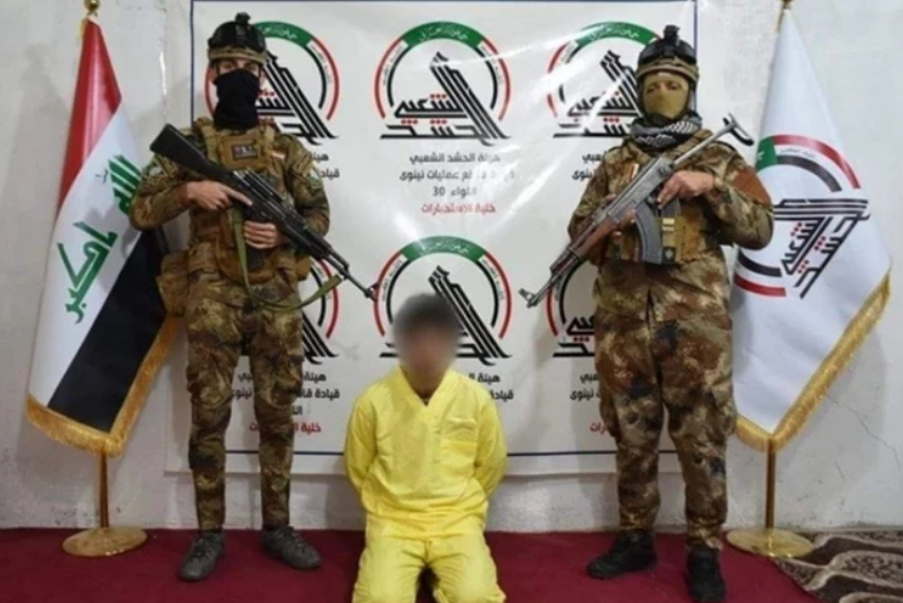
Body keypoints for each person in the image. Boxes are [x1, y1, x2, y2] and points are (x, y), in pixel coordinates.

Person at [569, 26, 774, 603]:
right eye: (653, 83)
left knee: (701, 437)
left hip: (694, 329)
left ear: (691, 89)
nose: (663, 91)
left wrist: (709, 186)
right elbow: (579, 236)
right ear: (639, 90)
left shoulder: (718, 156)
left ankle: (704, 549)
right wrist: (610, 225)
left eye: (673, 83)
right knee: (631, 434)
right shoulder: (617, 162)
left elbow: (761, 228)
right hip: (624, 326)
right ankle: (635, 537)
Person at [129, 12, 329, 581]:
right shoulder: (189, 146)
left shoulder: (286, 150)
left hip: (275, 303)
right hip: (212, 300)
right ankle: (208, 535)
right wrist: (190, 190)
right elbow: (141, 209)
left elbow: (319, 217)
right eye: (228, 65)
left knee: (277, 416)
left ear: (261, 76)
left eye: (248, 66)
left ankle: (278, 527)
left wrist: (282, 233)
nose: (238, 74)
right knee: (209, 417)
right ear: (213, 74)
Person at [344, 294, 508, 603]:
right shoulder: (373, 400)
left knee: (476, 597)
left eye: (437, 341)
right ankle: (416, 571)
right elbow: (358, 466)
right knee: (380, 599)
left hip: (456, 520)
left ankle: (439, 575)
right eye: (417, 341)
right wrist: (387, 504)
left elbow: (491, 463)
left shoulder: (475, 398)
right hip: (394, 521)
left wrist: (461, 503)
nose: (427, 352)